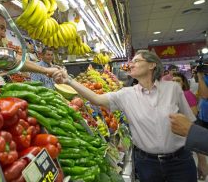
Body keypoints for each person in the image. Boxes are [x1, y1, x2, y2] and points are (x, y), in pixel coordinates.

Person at [53, 50, 197, 182]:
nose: (131, 64)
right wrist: (69, 81)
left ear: (152, 65)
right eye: (131, 61)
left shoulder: (173, 89)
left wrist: (201, 158)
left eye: (136, 61)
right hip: (147, 163)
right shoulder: (126, 94)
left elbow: (189, 124)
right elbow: (96, 99)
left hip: (180, 160)